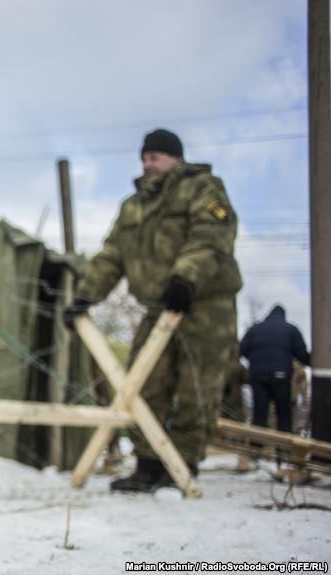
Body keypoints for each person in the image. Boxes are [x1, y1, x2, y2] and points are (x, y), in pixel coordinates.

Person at [64, 128, 241, 492]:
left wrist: (185, 278)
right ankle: (146, 464)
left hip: (203, 305)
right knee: (143, 385)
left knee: (196, 387)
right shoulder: (133, 206)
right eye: (144, 157)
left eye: (155, 156)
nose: (148, 163)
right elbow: (112, 255)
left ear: (176, 158)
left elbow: (212, 237)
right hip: (157, 307)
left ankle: (182, 465)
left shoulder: (202, 188)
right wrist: (85, 296)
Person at [239, 305, 311, 434]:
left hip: (258, 375)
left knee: (259, 414)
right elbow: (301, 354)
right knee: (283, 414)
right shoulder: (291, 329)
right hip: (281, 376)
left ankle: (257, 444)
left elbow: (242, 349)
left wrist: (255, 361)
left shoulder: (254, 329)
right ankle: (283, 445)